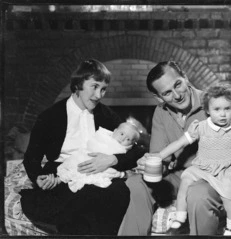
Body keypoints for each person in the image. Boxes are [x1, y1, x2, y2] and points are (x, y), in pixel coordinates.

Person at [118, 61, 231, 236]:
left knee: (197, 194)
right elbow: (161, 161)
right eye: (167, 93)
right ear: (159, 98)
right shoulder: (160, 112)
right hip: (178, 177)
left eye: (178, 84)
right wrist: (148, 165)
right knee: (135, 182)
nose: (177, 95)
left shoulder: (219, 103)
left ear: (185, 77)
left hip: (213, 178)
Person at [20, 59, 145, 235]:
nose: (99, 95)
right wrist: (38, 177)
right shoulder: (50, 116)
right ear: (78, 84)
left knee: (119, 192)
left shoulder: (105, 114)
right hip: (64, 173)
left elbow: (138, 148)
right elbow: (31, 157)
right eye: (94, 86)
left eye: (103, 89)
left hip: (100, 173)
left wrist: (113, 159)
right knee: (83, 198)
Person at [154, 83, 231, 235]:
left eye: (227, 109)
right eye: (217, 109)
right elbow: (179, 143)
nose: (222, 114)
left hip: (226, 170)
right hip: (203, 167)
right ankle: (180, 216)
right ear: (207, 110)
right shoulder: (200, 127)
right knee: (186, 180)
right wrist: (159, 156)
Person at [57, 121, 140, 192]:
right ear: (114, 131)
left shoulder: (123, 150)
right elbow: (92, 144)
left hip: (103, 168)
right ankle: (60, 178)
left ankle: (63, 179)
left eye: (128, 139)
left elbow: (136, 153)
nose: (122, 139)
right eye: (122, 134)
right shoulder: (103, 136)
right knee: (75, 164)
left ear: (131, 144)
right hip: (87, 156)